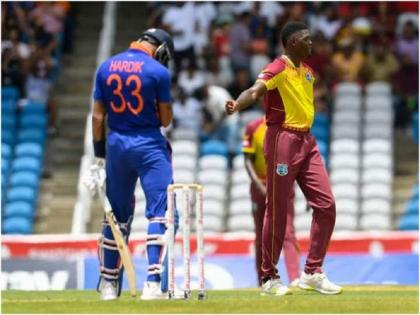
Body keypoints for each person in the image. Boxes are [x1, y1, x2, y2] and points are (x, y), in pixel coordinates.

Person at [225, 21, 342, 296]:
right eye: (306, 39)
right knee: (277, 210)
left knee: (326, 205)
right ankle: (268, 278)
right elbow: (255, 90)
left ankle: (312, 272)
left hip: (307, 141)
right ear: (291, 43)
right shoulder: (278, 67)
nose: (311, 43)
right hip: (282, 141)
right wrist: (237, 104)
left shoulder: (309, 73)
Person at [90, 28, 176, 301]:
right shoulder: (158, 72)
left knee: (115, 216)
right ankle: (152, 284)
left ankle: (107, 284)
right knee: (160, 212)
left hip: (116, 145)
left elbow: (96, 117)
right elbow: (165, 120)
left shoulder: (106, 66)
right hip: (149, 145)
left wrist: (98, 156)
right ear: (161, 49)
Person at [242, 116, 300, 287]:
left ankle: (295, 278)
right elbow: (247, 160)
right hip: (261, 187)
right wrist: (259, 185)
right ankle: (264, 280)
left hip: (284, 186)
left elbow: (294, 160)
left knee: (288, 232)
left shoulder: (291, 125)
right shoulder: (254, 126)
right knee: (261, 235)